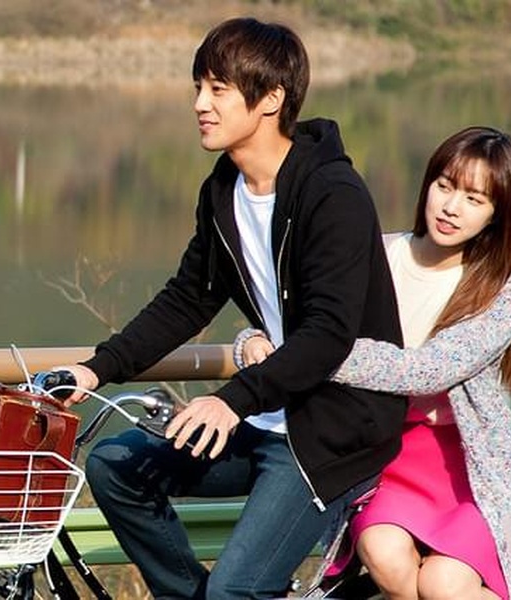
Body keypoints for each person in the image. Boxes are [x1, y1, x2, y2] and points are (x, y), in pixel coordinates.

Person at [51, 17, 407, 600]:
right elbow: (188, 298)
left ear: (271, 99)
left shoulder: (333, 194)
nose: (200, 104)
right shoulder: (223, 189)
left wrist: (229, 400)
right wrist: (97, 368)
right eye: (199, 87)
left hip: (330, 431)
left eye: (218, 89)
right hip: (264, 414)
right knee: (114, 466)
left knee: (235, 590)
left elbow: (328, 334)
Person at [236, 126, 511, 599]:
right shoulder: (375, 254)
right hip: (379, 451)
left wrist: (312, 355)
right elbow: (290, 318)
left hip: (469, 467)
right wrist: (251, 341)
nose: (451, 207)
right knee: (384, 555)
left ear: (498, 214)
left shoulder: (505, 293)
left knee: (445, 583)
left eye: (474, 199)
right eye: (444, 186)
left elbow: (428, 370)